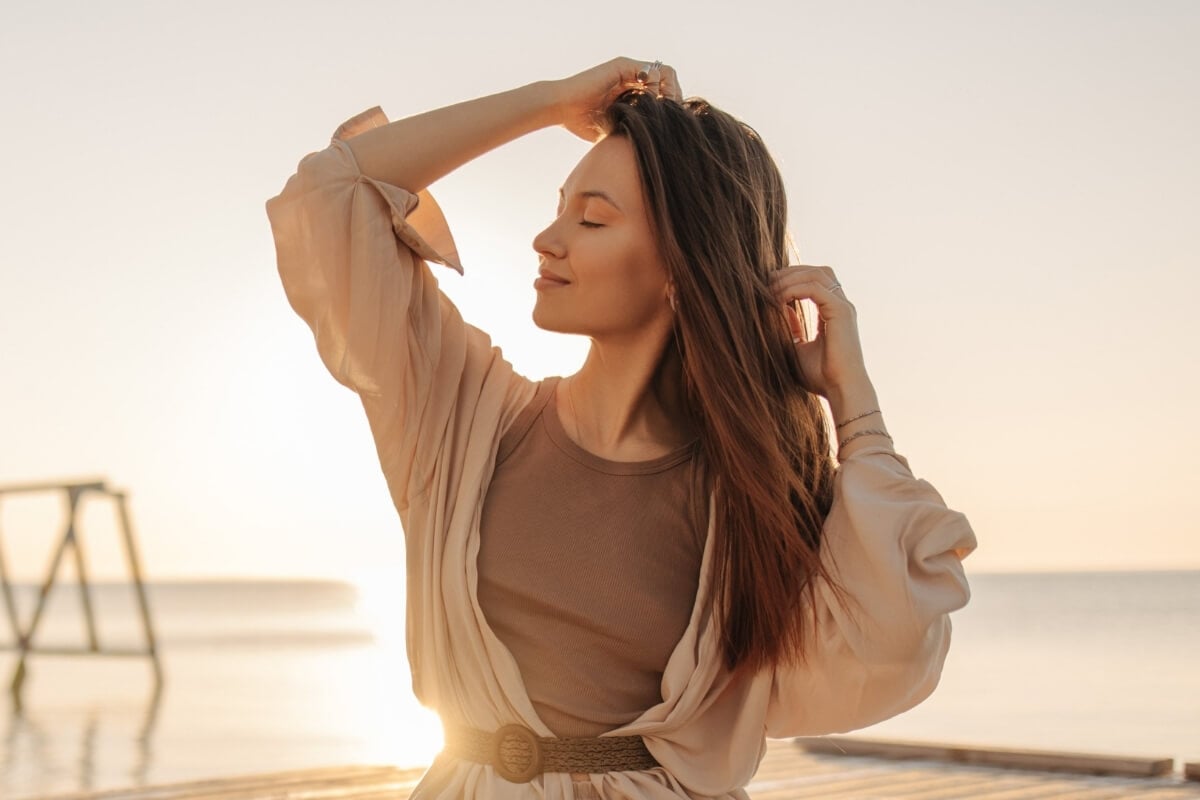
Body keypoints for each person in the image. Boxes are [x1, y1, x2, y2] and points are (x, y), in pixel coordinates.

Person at [266, 57, 977, 800]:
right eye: (559, 206)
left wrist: (851, 399)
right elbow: (331, 193)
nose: (548, 238)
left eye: (592, 218)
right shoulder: (462, 417)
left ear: (680, 266)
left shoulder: (752, 494)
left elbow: (893, 647)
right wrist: (551, 102)